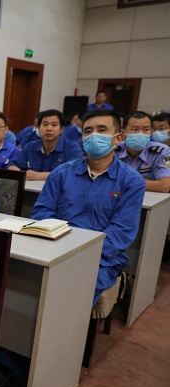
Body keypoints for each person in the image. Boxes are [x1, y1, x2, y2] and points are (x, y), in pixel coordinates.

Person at [32, 109, 145, 307]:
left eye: (101, 130)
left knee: (72, 288)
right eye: (88, 131)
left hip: (101, 259)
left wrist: (80, 252)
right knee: (23, 278)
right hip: (56, 248)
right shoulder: (61, 173)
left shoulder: (131, 181)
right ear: (82, 139)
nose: (94, 136)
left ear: (118, 138)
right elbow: (41, 212)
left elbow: (121, 232)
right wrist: (60, 246)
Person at [8, 109, 82, 180]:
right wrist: (14, 169)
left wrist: (39, 176)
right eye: (45, 124)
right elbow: (15, 164)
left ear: (61, 129)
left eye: (54, 125)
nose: (49, 128)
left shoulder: (73, 148)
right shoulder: (30, 146)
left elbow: (72, 172)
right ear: (39, 128)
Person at [115, 111, 170, 193]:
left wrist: (123, 182)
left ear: (151, 133)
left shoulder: (162, 151)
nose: (140, 133)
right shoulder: (113, 150)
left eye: (146, 129)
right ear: (123, 133)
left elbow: (165, 186)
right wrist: (145, 182)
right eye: (135, 129)